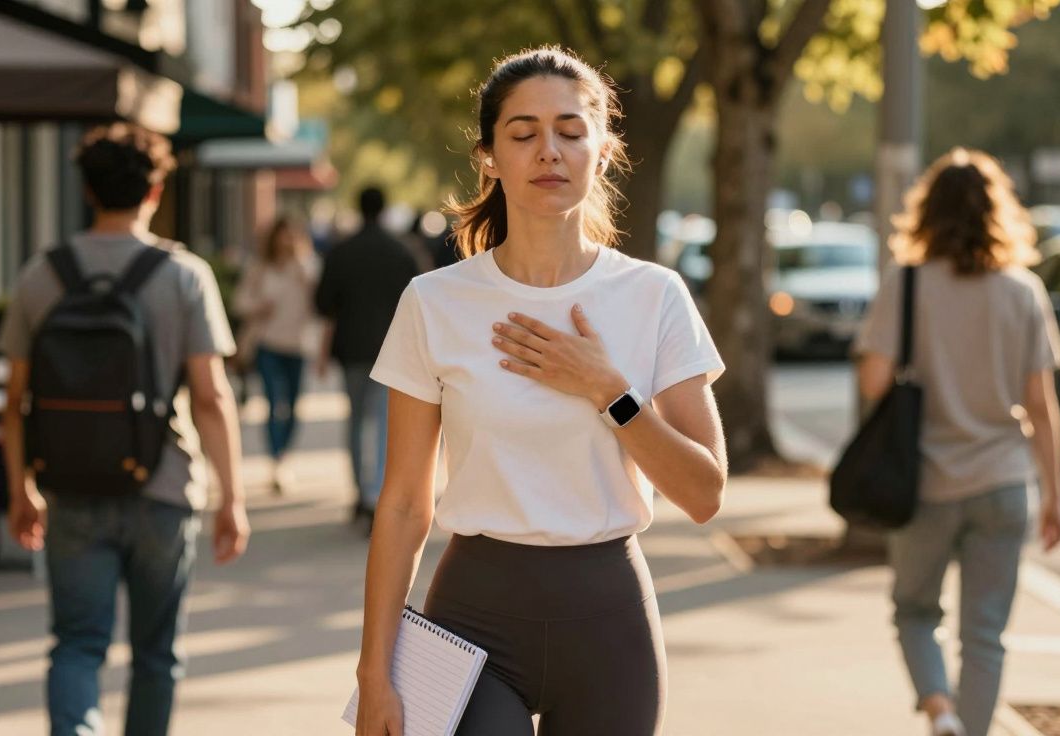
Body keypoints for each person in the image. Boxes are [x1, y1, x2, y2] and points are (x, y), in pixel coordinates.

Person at [353, 47, 728, 736]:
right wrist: (373, 672)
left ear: (604, 150)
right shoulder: (435, 302)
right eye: (523, 134)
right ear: (489, 157)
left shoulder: (654, 297)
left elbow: (704, 493)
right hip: (473, 620)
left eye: (569, 131)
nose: (547, 151)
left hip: (610, 622)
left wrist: (608, 389)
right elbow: (405, 503)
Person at [0, 123, 250, 736]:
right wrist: (231, 497)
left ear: (86, 190)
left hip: (72, 486)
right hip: (163, 489)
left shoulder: (41, 275)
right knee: (156, 654)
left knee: (77, 645)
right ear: (156, 190)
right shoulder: (184, 274)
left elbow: (14, 401)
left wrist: (19, 488)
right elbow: (212, 398)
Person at [854, 148, 1060, 736]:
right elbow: (1042, 407)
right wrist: (1055, 496)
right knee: (986, 633)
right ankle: (969, 729)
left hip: (925, 483)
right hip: (1003, 484)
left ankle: (939, 709)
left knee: (916, 610)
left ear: (927, 213)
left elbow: (874, 382)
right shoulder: (1023, 291)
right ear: (999, 213)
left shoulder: (907, 285)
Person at [314, 187, 419, 527]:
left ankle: (361, 492)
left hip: (352, 348)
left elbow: (321, 303)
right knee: (384, 423)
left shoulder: (341, 251)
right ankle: (377, 492)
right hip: (392, 349)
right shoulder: (401, 252)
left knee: (357, 419)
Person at [234, 216, 320, 492]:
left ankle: (284, 453)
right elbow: (239, 302)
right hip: (268, 344)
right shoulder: (260, 268)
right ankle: (276, 461)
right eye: (281, 235)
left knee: (294, 407)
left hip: (298, 346)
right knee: (273, 403)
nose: (286, 241)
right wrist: (258, 306)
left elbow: (320, 304)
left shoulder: (308, 266)